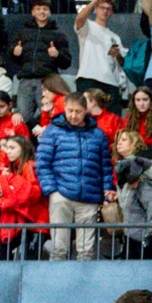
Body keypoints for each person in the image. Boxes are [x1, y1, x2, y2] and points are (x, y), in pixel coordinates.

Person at [35, 93, 113, 261]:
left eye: (78, 111)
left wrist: (106, 192)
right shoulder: (52, 131)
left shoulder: (98, 134)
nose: (73, 115)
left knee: (86, 253)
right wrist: (52, 191)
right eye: (70, 111)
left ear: (86, 110)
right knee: (58, 249)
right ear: (64, 109)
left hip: (90, 197)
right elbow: (42, 163)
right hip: (60, 195)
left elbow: (105, 167)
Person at [7, 0, 72, 126]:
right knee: (22, 117)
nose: (42, 12)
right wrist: (14, 52)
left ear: (49, 12)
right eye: (38, 9)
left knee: (46, 114)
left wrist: (58, 54)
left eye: (45, 9)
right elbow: (11, 57)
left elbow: (67, 62)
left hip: (47, 82)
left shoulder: (58, 33)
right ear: (32, 12)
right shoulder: (22, 32)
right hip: (25, 80)